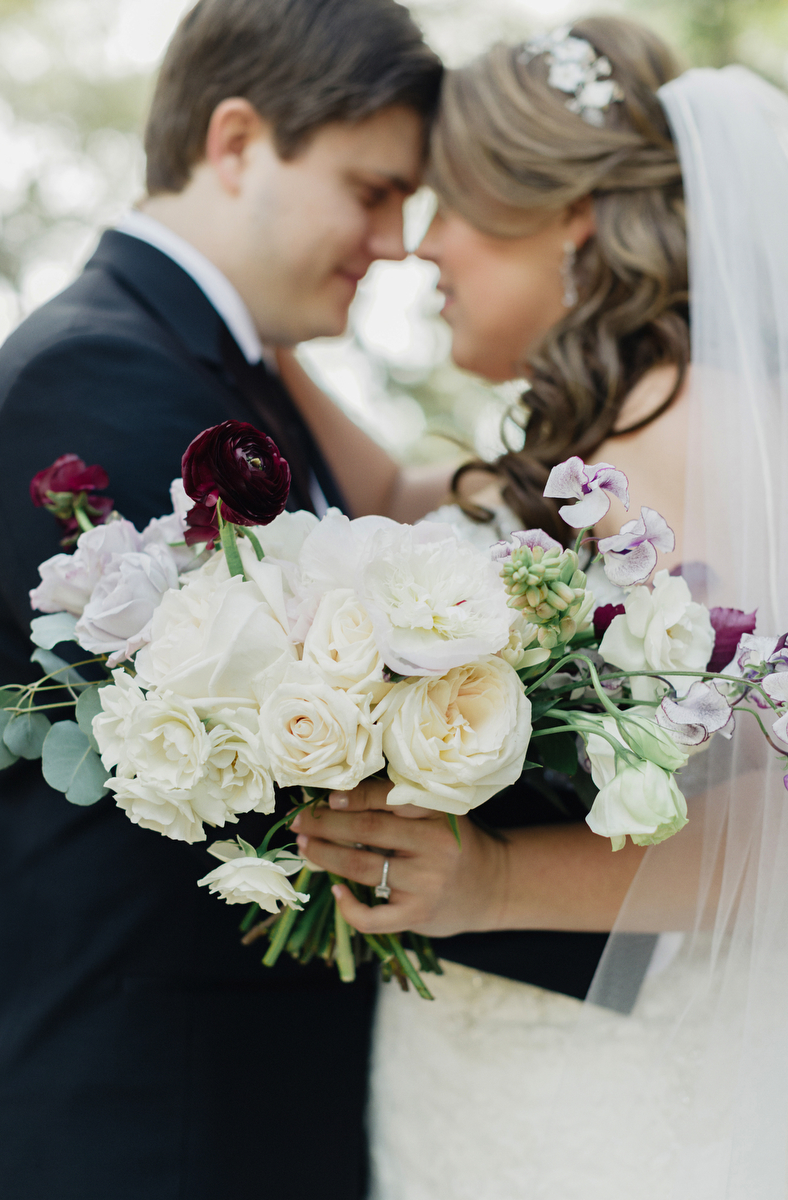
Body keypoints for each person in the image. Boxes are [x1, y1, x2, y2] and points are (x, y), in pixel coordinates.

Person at [292, 16, 788, 1198]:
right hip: (471, 1084)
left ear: (566, 212)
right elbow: (378, 490)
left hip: (608, 1113)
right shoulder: (587, 443)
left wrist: (494, 879)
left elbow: (772, 826)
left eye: (448, 203)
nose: (419, 249)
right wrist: (248, 295)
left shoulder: (686, 425)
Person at [0, 2, 444, 1197]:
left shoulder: (203, 359)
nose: (395, 241)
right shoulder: (106, 374)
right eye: (372, 189)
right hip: (156, 1118)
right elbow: (302, 731)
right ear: (237, 142)